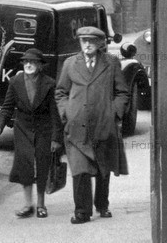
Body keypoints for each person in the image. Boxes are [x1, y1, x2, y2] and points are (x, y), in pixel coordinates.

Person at [55, 26, 129, 224]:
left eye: (91, 41)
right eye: (83, 41)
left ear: (100, 43)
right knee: (80, 170)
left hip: (103, 126)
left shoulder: (111, 63)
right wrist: (66, 112)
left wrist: (114, 113)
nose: (87, 44)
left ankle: (102, 204)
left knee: (102, 167)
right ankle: (82, 212)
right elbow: (61, 92)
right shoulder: (70, 64)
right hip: (77, 127)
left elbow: (122, 92)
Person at [0, 48, 63, 219]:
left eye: (33, 62)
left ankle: (41, 205)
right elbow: (7, 107)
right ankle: (28, 205)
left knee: (43, 165)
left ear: (40, 65)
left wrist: (56, 138)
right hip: (22, 129)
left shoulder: (49, 83)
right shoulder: (15, 82)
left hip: (43, 130)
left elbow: (55, 114)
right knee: (25, 166)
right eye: (26, 62)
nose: (29, 64)